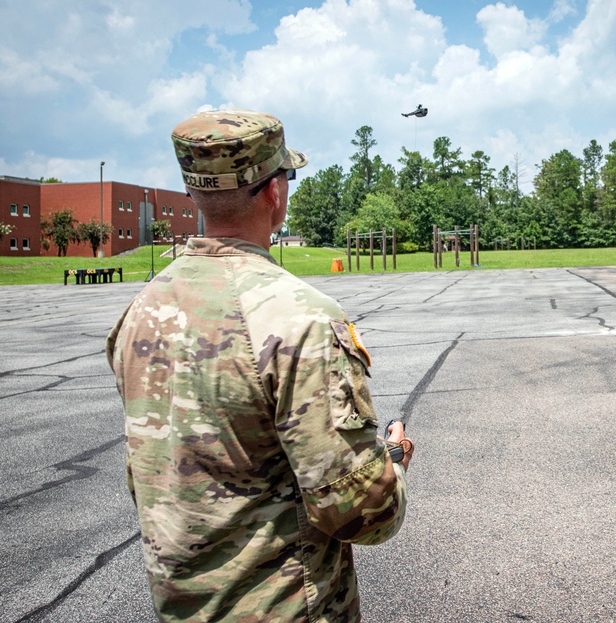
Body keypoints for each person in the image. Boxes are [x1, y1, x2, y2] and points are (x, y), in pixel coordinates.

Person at [106, 109, 415, 623]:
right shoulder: (300, 317)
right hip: (284, 607)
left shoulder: (140, 312)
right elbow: (359, 511)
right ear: (274, 192)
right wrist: (395, 460)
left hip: (183, 607)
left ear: (196, 195)